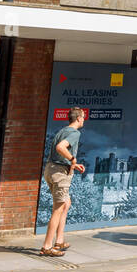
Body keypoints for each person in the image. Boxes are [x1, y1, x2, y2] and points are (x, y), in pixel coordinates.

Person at [40, 107, 86, 257]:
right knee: (58, 209)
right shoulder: (75, 133)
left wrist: (73, 164)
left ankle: (59, 241)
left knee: (66, 203)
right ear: (78, 118)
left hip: (51, 170)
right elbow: (61, 147)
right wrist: (73, 159)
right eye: (83, 117)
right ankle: (47, 246)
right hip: (60, 173)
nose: (84, 119)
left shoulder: (62, 130)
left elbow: (58, 150)